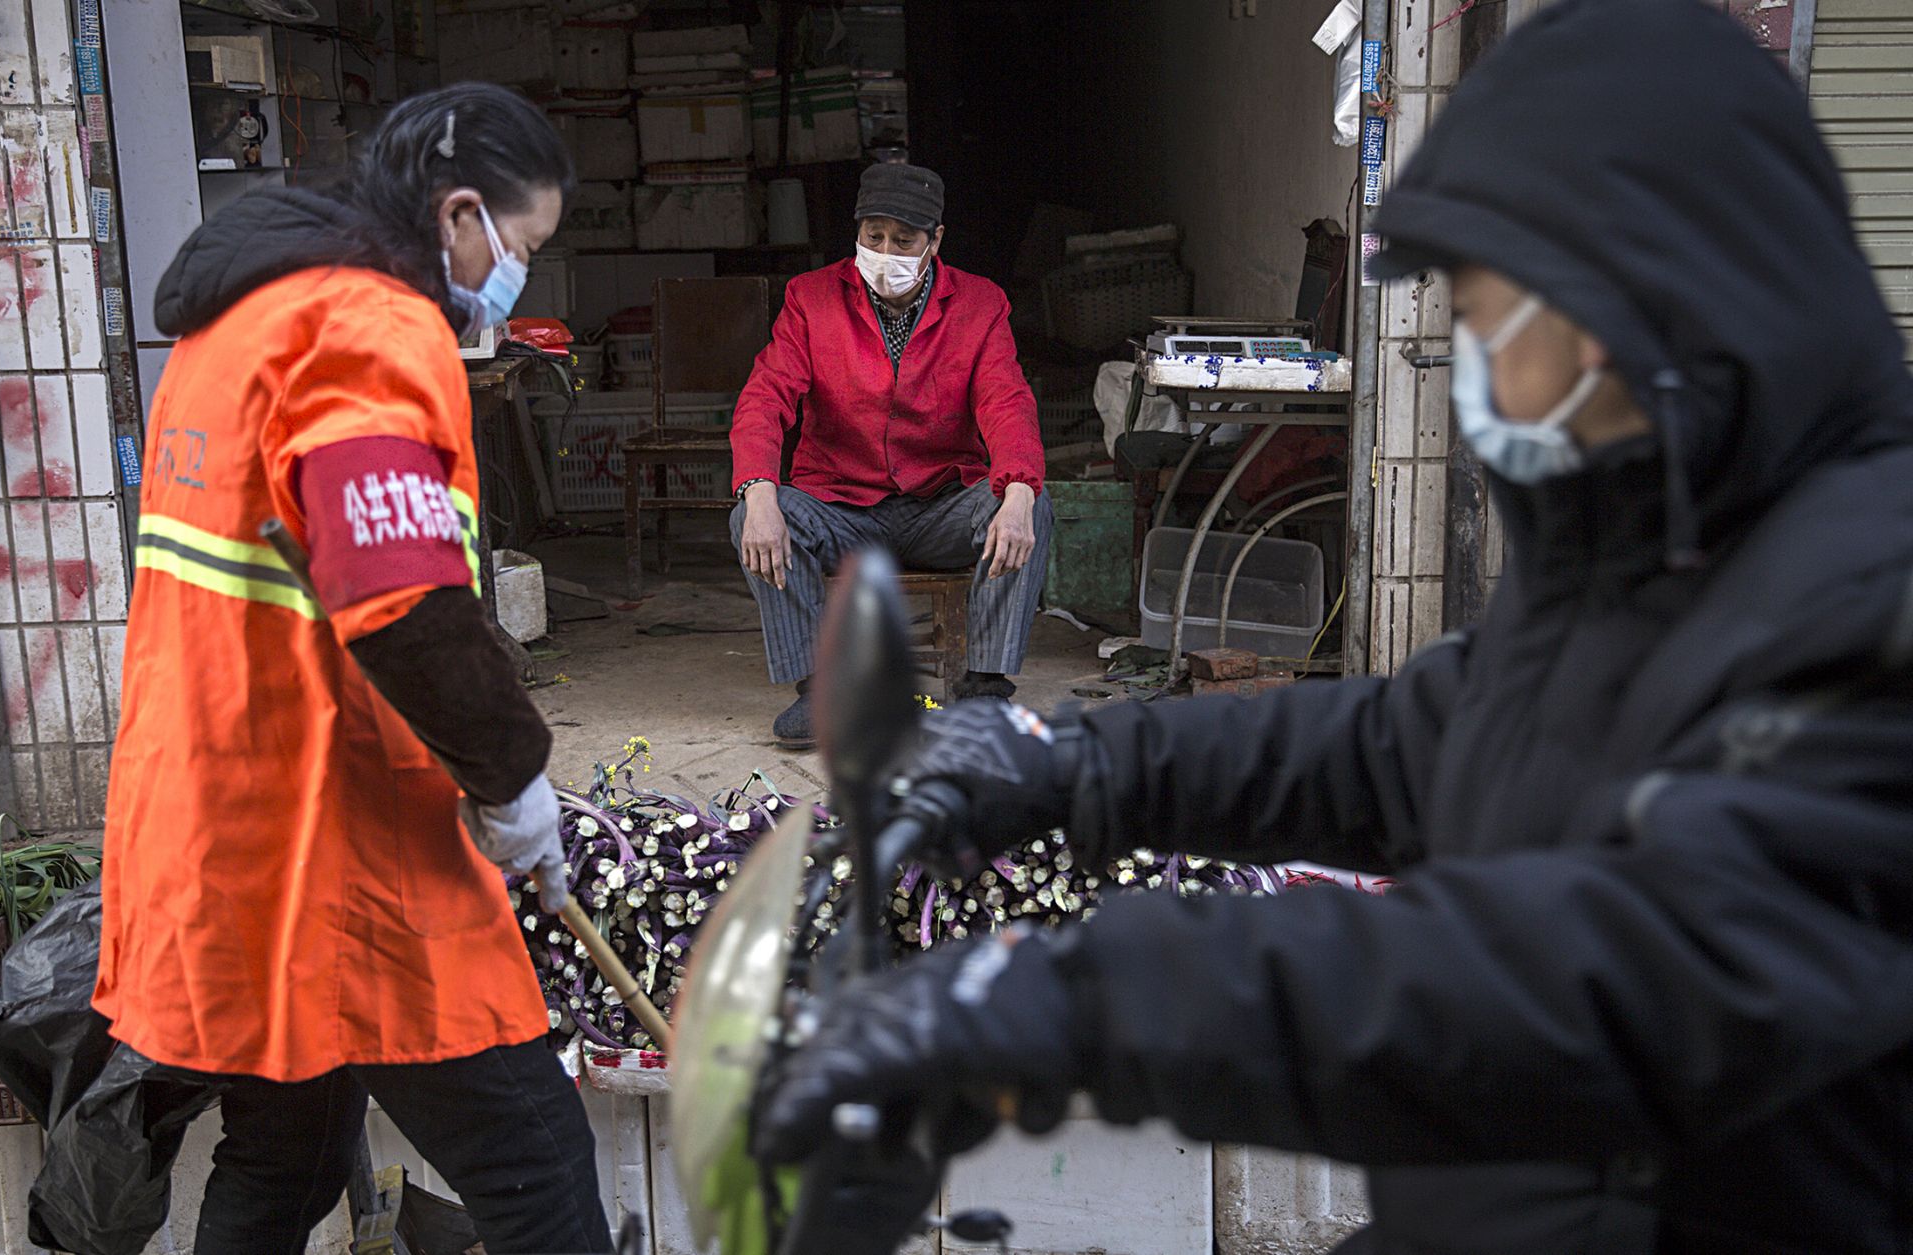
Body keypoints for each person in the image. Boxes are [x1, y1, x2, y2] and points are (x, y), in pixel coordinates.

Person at [752, 3, 1913, 1251]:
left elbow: (1584, 986)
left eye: (1488, 317)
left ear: (1639, 302)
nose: (1469, 365)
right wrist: (1068, 767)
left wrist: (1075, 1002)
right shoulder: (1644, 547)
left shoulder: (1868, 614)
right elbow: (1409, 744)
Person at [91, 84, 613, 1255]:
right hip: (339, 845)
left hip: (221, 819)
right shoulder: (363, 329)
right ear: (464, 212)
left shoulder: (239, 316)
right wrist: (509, 773)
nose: (513, 277)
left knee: (285, 1155)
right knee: (533, 1162)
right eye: (520, 248)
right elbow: (403, 596)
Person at [728, 162, 1053, 749]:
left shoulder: (980, 304)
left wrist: (1021, 488)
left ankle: (984, 687)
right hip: (841, 506)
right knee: (755, 516)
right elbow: (765, 396)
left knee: (1026, 504)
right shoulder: (811, 298)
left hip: (941, 506)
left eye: (904, 240)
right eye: (873, 236)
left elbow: (1008, 401)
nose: (885, 251)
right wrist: (757, 488)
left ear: (936, 241)